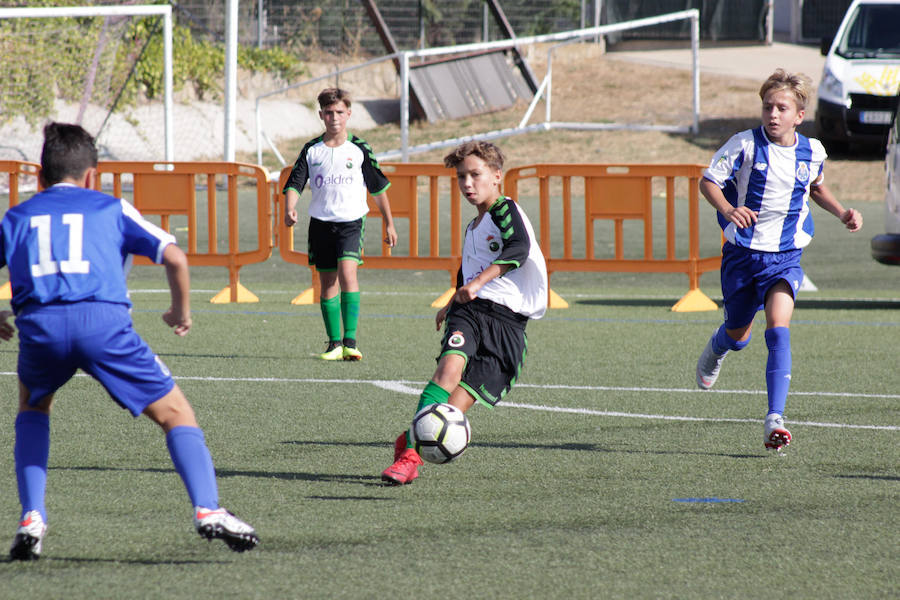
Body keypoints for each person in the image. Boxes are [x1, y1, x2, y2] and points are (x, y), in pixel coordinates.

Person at [1, 123, 258, 560]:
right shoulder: (111, 208)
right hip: (104, 325)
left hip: (40, 327)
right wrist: (181, 311)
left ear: (40, 177)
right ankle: (208, 509)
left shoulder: (16, 217)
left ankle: (32, 517)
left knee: (33, 408)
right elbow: (175, 256)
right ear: (91, 176)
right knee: (176, 413)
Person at [695, 69, 863, 451]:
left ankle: (775, 419)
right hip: (742, 256)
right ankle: (718, 347)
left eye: (781, 108)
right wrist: (728, 207)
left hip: (786, 257)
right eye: (767, 106)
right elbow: (708, 180)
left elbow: (815, 186)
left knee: (778, 327)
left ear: (798, 115)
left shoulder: (813, 150)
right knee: (738, 334)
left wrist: (841, 212)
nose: (772, 114)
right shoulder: (743, 145)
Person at [381, 141, 548, 485]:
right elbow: (468, 276)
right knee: (448, 370)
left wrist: (476, 283)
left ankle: (409, 439)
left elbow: (519, 246)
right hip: (471, 312)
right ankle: (411, 457)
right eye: (461, 177)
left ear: (497, 176)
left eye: (475, 174)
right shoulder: (474, 228)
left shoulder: (504, 209)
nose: (467, 184)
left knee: (453, 410)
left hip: (508, 325)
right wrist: (452, 301)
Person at [283, 87, 397, 361]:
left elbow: (378, 187)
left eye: (339, 112)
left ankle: (351, 341)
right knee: (328, 282)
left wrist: (389, 223)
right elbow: (296, 182)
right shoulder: (312, 150)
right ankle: (334, 344)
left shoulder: (359, 148)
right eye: (329, 112)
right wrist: (289, 208)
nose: (334, 117)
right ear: (321, 115)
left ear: (348, 114)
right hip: (321, 224)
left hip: (351, 222)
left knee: (348, 274)